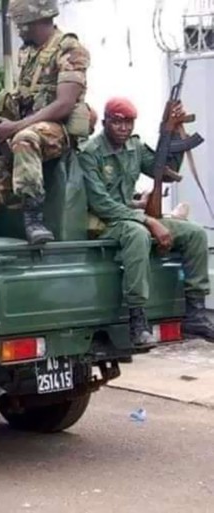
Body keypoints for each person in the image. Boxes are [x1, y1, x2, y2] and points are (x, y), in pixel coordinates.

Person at [0, 0, 91, 245]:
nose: (20, 30)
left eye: (23, 25)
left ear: (40, 19)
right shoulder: (28, 52)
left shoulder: (70, 50)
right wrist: (4, 123)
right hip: (28, 128)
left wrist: (15, 128)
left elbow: (64, 104)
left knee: (25, 139)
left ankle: (33, 217)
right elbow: (23, 98)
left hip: (58, 130)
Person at [80, 97, 214, 347]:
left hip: (133, 216)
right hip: (104, 222)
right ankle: (137, 319)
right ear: (105, 122)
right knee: (137, 234)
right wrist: (149, 221)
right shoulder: (90, 153)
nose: (124, 128)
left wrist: (171, 134)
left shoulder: (135, 147)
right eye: (117, 122)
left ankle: (195, 312)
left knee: (195, 234)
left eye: (128, 123)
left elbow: (164, 171)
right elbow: (101, 203)